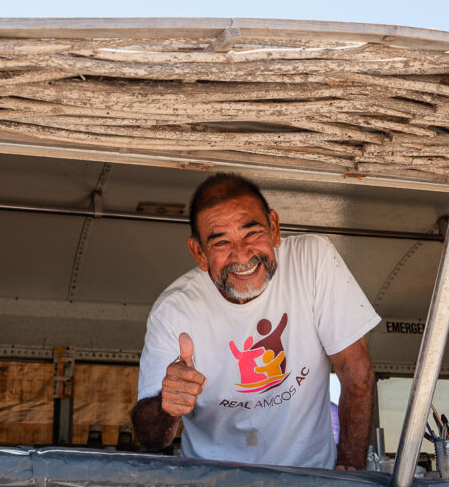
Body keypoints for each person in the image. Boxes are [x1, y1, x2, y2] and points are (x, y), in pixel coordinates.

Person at [131, 174, 380, 470]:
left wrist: (350, 469)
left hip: (312, 481)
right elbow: (149, 437)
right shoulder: (175, 310)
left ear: (274, 228)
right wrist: (167, 406)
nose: (242, 256)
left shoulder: (313, 260)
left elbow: (355, 371)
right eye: (221, 242)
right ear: (199, 253)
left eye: (252, 234)